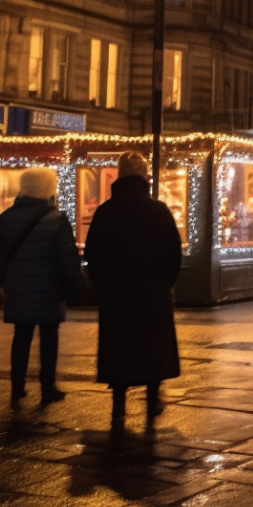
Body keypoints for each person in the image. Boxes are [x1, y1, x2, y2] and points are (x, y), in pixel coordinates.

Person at [84, 151, 182, 426]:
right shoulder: (158, 211)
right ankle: (151, 403)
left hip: (117, 295)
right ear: (144, 175)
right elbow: (173, 253)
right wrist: (165, 282)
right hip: (152, 293)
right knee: (151, 349)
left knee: (119, 349)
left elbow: (93, 254)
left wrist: (104, 285)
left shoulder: (106, 211)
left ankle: (118, 407)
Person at [0, 167, 82, 408]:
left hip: (18, 288)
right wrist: (77, 281)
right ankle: (47, 387)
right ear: (48, 189)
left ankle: (17, 388)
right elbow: (68, 256)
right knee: (49, 338)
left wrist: (1, 283)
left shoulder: (5, 218)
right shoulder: (56, 219)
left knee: (21, 336)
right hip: (49, 288)